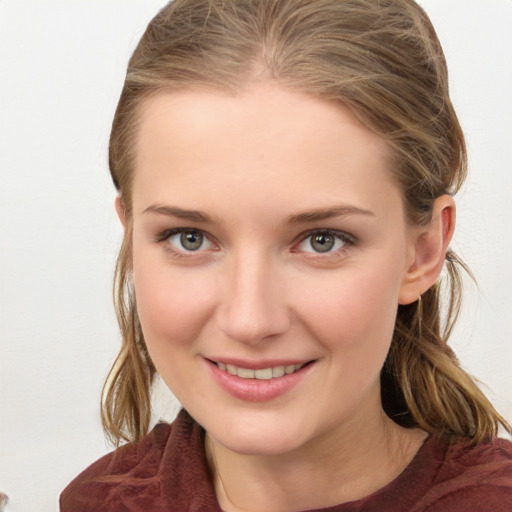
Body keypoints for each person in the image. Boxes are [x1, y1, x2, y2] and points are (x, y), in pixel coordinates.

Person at [60, 0, 512, 510]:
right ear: (132, 242)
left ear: (422, 252)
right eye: (189, 238)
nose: (250, 321)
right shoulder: (96, 501)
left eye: (323, 240)